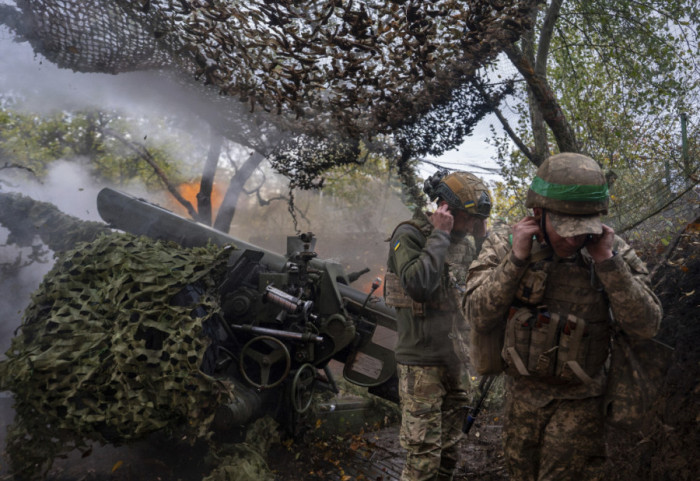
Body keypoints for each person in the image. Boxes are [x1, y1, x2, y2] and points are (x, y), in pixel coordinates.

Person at [463, 153, 663, 481]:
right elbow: (477, 315)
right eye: (564, 228)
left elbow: (647, 324)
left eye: (582, 230)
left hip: (583, 399)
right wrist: (515, 261)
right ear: (537, 213)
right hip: (523, 398)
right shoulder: (506, 245)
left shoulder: (611, 251)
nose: (573, 240)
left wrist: (607, 264)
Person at [384, 170, 492, 481]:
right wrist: (440, 235)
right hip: (421, 363)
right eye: (468, 217)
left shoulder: (464, 240)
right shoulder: (410, 235)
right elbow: (418, 285)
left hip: (455, 359)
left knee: (450, 450)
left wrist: (482, 237)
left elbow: (485, 278)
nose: (471, 225)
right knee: (423, 457)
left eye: (476, 219)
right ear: (444, 208)